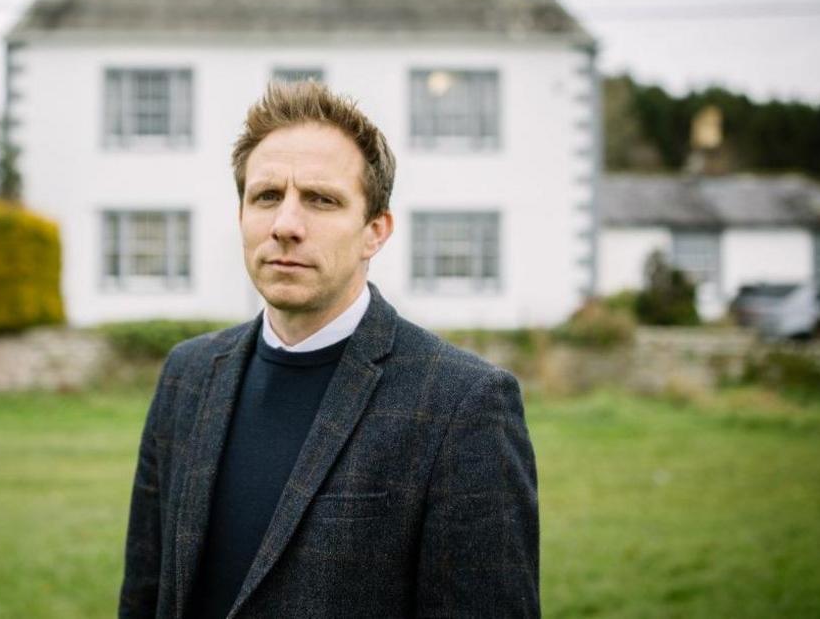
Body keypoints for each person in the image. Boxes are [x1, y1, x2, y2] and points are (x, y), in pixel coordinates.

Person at [119, 82, 539, 618]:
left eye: (321, 200)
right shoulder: (187, 375)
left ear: (375, 232)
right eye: (266, 196)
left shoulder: (466, 404)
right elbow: (144, 596)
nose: (286, 226)